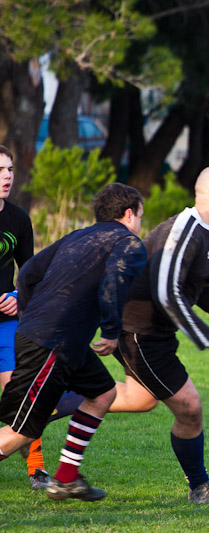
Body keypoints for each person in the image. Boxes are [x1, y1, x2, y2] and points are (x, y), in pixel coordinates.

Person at [104, 166, 209, 505]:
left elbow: (196, 284)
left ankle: (60, 397)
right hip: (139, 332)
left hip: (151, 333)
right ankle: (200, 487)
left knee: (140, 400)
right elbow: (167, 293)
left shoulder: (206, 231)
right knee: (190, 406)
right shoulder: (184, 231)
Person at [0, 182, 146, 501]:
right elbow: (114, 282)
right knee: (20, 432)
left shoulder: (78, 236)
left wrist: (29, 313)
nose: (139, 225)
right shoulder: (129, 244)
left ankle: (66, 478)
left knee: (103, 393)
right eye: (140, 217)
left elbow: (28, 273)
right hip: (52, 342)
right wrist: (111, 332)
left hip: (60, 340)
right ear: (129, 213)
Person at [0, 145, 49, 489]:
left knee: (20, 394)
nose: (7, 176)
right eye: (0, 170)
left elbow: (30, 274)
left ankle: (37, 468)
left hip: (6, 325)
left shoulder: (19, 219)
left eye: (10, 169)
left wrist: (18, 297)